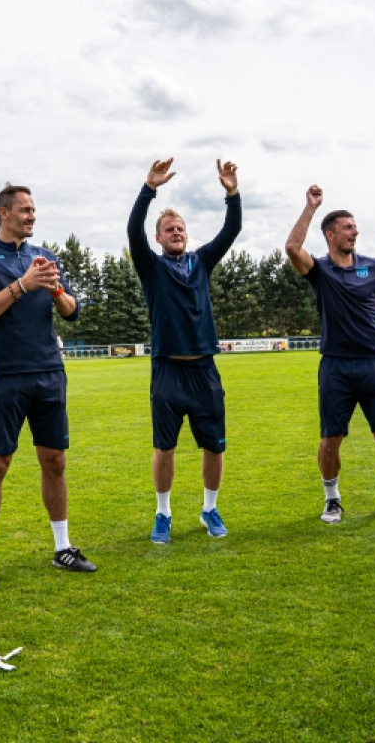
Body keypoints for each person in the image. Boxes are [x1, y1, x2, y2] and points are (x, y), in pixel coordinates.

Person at [0, 183, 96, 590]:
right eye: (25, 210)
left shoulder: (47, 257)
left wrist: (53, 286)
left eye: (34, 210)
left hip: (49, 373)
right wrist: (23, 284)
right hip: (7, 376)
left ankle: (62, 548)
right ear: (4, 212)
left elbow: (71, 311)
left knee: (55, 461)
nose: (32, 216)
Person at [127, 158, 242, 544]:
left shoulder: (201, 262)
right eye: (168, 229)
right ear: (158, 239)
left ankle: (209, 508)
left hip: (205, 371)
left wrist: (231, 192)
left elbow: (233, 229)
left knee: (214, 445)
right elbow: (133, 230)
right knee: (165, 447)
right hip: (167, 372)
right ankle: (163, 513)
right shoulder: (151, 267)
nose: (176, 233)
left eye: (180, 228)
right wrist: (149, 188)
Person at [285, 185, 375, 525]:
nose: (355, 232)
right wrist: (310, 207)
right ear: (330, 234)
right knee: (330, 440)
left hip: (374, 363)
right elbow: (292, 248)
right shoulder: (320, 270)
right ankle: (332, 500)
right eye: (348, 227)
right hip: (336, 366)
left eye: (355, 227)